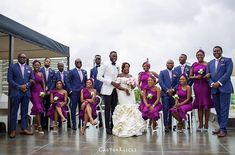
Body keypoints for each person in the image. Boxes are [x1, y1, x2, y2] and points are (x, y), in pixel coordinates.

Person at [206, 46, 233, 137]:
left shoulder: (228, 60)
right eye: (214, 51)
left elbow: (228, 73)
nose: (216, 52)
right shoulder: (210, 63)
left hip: (224, 88)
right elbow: (207, 76)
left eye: (218, 51)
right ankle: (221, 127)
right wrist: (212, 84)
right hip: (214, 89)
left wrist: (219, 82)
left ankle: (223, 129)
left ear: (221, 51)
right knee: (218, 109)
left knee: (224, 109)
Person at [112, 62, 145, 137]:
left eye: (128, 67)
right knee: (124, 108)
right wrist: (124, 89)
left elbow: (134, 86)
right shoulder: (119, 75)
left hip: (130, 94)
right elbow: (117, 85)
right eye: (125, 67)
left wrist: (132, 86)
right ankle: (123, 129)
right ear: (122, 68)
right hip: (122, 93)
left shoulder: (131, 76)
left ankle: (133, 129)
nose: (127, 68)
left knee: (131, 109)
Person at [7, 53, 34, 138]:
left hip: (26, 92)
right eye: (21, 57)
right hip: (16, 92)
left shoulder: (29, 68)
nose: (22, 58)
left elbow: (32, 80)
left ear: (26, 58)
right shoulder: (12, 67)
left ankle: (24, 128)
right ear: (18, 58)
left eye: (24, 57)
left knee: (24, 112)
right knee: (14, 112)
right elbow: (9, 80)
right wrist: (19, 87)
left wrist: (26, 85)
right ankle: (13, 130)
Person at [189, 50, 214, 132]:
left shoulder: (208, 64)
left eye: (201, 55)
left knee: (206, 104)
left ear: (204, 55)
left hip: (206, 85)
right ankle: (200, 124)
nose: (199, 56)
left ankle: (206, 124)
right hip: (197, 86)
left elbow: (211, 74)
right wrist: (196, 77)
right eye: (198, 55)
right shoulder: (194, 65)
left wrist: (208, 75)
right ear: (196, 56)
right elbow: (190, 76)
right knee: (199, 105)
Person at [97, 51, 119, 135]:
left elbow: (116, 77)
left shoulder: (117, 66)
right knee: (107, 109)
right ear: (109, 56)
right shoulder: (105, 64)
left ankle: (113, 126)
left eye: (116, 56)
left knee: (114, 109)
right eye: (113, 56)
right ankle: (107, 127)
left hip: (115, 90)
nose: (114, 57)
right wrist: (110, 82)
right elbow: (98, 77)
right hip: (107, 90)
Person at [159, 59, 179, 132]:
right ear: (166, 64)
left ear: (173, 64)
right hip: (165, 94)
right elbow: (161, 82)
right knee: (166, 109)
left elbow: (178, 83)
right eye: (169, 63)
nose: (170, 64)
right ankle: (166, 125)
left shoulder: (176, 73)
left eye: (172, 63)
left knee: (171, 110)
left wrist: (173, 90)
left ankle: (170, 124)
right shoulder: (162, 72)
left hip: (173, 95)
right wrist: (167, 90)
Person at [68, 58, 87, 130]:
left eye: (80, 62)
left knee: (82, 108)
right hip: (74, 93)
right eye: (77, 62)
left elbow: (85, 82)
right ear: (75, 63)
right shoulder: (71, 71)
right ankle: (74, 124)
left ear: (81, 63)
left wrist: (85, 91)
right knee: (73, 109)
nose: (79, 63)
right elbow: (67, 81)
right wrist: (70, 90)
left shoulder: (84, 71)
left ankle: (81, 124)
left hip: (82, 93)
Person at [30, 60, 46, 134]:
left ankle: (36, 125)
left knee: (37, 109)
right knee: (38, 108)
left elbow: (43, 84)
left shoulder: (41, 73)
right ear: (33, 65)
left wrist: (43, 94)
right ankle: (39, 126)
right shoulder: (31, 73)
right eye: (35, 65)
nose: (37, 66)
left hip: (40, 92)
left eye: (38, 65)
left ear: (40, 66)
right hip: (33, 92)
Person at [40, 58, 55, 129]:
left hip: (49, 93)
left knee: (48, 108)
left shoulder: (52, 71)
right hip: (42, 92)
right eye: (46, 61)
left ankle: (48, 124)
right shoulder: (40, 70)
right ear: (44, 62)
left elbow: (53, 82)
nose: (48, 62)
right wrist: (42, 90)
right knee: (42, 107)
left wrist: (50, 90)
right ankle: (43, 124)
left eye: (49, 62)